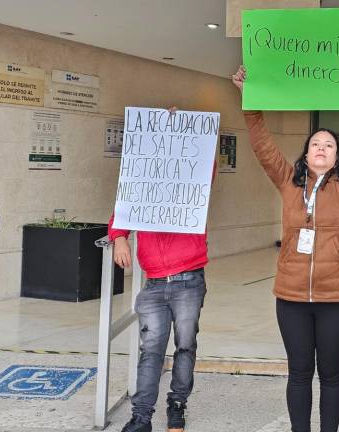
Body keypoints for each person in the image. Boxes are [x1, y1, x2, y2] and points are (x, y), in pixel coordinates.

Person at [232, 63, 339, 432]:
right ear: (305, 155)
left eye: (329, 145)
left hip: (338, 298)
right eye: (314, 144)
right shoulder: (288, 182)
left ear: (337, 156)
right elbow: (261, 144)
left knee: (332, 375)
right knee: (299, 373)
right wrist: (249, 100)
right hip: (291, 297)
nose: (321, 148)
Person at [111, 116, 215, 432]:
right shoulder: (141, 183)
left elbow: (206, 164)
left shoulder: (194, 181)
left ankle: (177, 405)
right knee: (150, 351)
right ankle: (141, 417)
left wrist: (182, 129)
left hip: (189, 280)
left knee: (185, 345)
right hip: (154, 283)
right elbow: (122, 210)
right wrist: (118, 237)